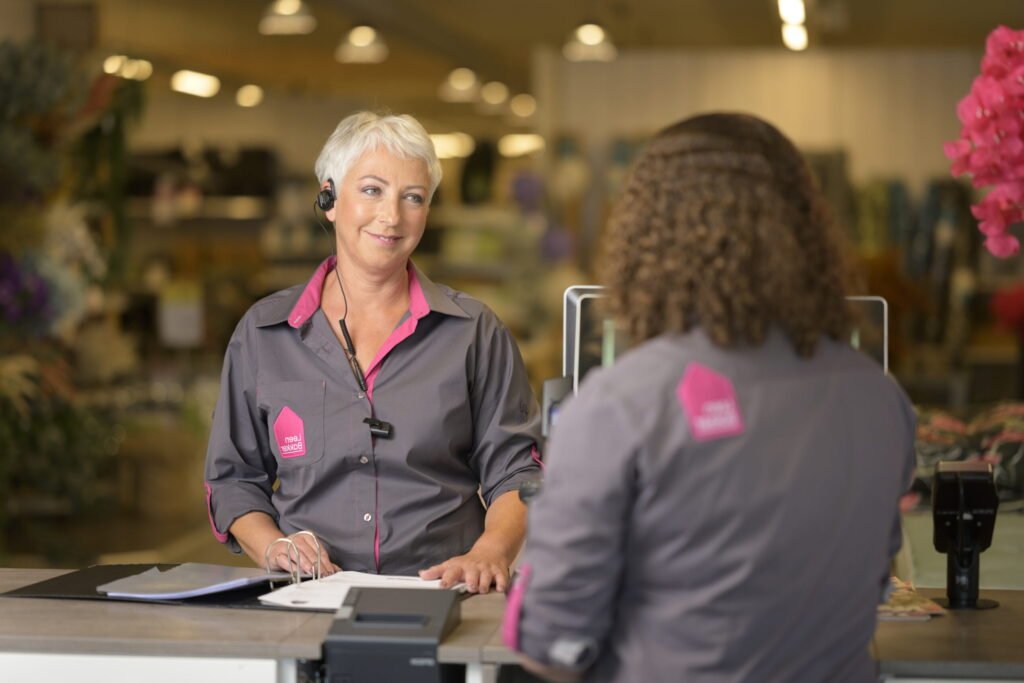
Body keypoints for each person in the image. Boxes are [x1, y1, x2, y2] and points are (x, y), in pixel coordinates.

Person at [503, 113, 915, 681]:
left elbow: (550, 645)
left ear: (647, 236)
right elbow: (876, 579)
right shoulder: (881, 399)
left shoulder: (617, 406)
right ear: (805, 232)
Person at [204, 111, 542, 593]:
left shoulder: (475, 333)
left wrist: (491, 551)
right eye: (371, 190)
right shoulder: (264, 333)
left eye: (413, 197)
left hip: (445, 594)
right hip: (309, 596)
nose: (392, 216)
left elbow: (520, 471)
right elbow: (234, 479)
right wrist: (273, 547)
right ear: (329, 199)